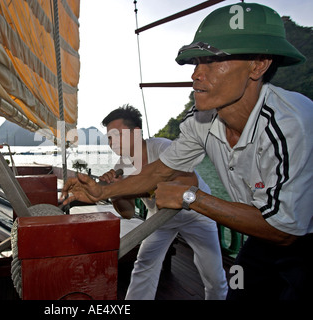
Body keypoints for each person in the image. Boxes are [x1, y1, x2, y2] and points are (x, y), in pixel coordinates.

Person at [62, 3, 313, 300]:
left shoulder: (291, 125)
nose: (196, 74)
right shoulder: (201, 121)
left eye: (213, 61)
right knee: (237, 287)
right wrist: (102, 192)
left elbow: (284, 229)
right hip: (259, 238)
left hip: (301, 241)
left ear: (258, 64)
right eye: (196, 61)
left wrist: (191, 198)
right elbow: (160, 171)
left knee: (219, 275)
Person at [100, 105, 227, 300]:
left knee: (213, 274)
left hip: (196, 212)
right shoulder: (121, 167)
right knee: (144, 265)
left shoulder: (163, 148)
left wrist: (128, 187)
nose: (112, 142)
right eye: (109, 137)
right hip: (160, 217)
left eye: (117, 135)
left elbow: (189, 182)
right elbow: (127, 213)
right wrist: (117, 193)